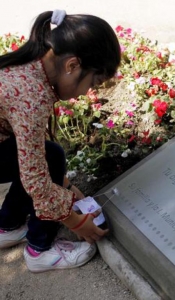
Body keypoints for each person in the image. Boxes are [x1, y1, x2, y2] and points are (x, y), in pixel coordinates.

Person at [0, 10, 121, 272]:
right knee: (51, 157)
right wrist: (76, 221)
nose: (88, 92)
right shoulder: (31, 97)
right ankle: (39, 251)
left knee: (47, 157)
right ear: (72, 66)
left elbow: (27, 147)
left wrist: (65, 185)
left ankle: (7, 226)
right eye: (94, 82)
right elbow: (35, 180)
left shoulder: (31, 65)